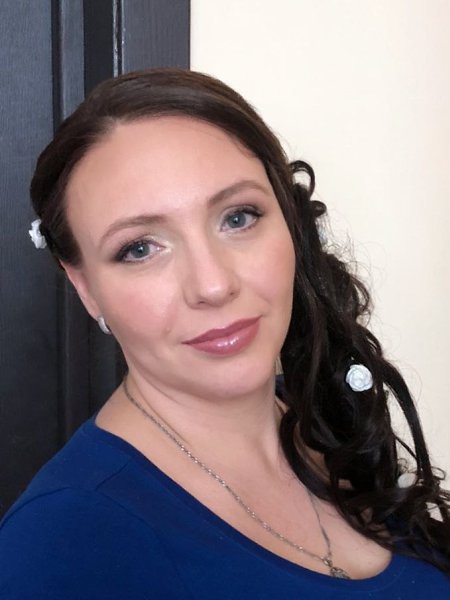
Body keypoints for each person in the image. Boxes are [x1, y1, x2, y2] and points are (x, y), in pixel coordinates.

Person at [0, 69, 449, 598]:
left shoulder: (323, 416)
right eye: (140, 248)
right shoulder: (60, 543)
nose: (213, 285)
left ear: (289, 222)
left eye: (238, 218)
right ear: (85, 287)